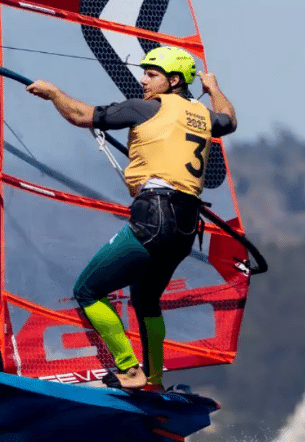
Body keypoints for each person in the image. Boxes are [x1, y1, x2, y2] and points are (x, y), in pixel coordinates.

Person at [26, 46, 237, 391]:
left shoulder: (146, 108)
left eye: (152, 75)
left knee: (88, 289)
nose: (143, 80)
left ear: (173, 80)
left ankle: (129, 369)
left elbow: (81, 115)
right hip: (186, 228)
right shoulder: (202, 115)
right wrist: (213, 88)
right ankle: (153, 380)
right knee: (146, 299)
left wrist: (53, 93)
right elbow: (229, 119)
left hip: (154, 220)